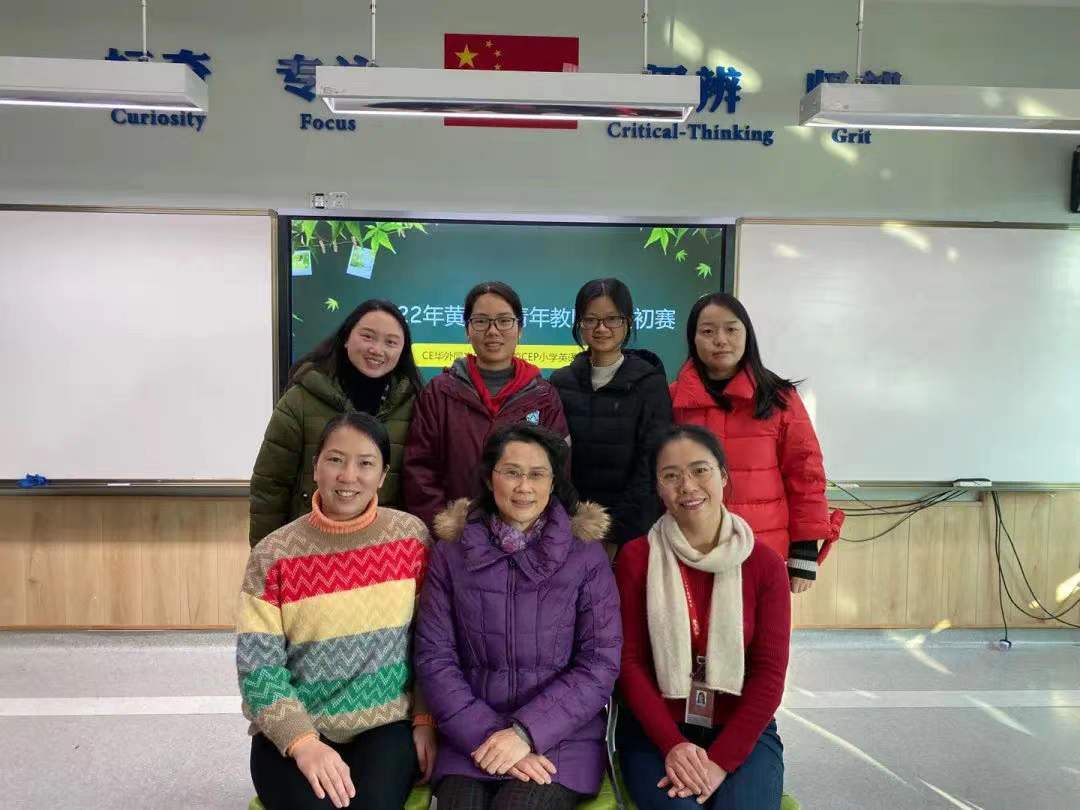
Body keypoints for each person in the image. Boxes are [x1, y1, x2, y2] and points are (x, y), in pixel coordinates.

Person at [414, 424, 622, 810]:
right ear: (489, 478)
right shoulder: (451, 554)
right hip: (470, 737)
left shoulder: (586, 556)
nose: (524, 486)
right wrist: (489, 735)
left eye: (537, 474)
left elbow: (599, 663)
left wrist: (525, 734)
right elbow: (435, 659)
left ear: (553, 482)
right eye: (511, 472)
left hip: (561, 739)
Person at [237, 412, 436, 810]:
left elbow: (431, 642)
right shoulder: (274, 554)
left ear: (383, 475)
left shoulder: (411, 538)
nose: (349, 476)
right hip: (296, 727)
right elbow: (258, 668)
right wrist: (303, 742)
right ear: (315, 468)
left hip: (384, 724)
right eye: (335, 460)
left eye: (366, 463)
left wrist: (425, 720)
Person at [615, 424, 789, 809]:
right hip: (657, 730)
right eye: (671, 476)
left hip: (742, 727)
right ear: (658, 488)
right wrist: (673, 745)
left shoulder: (765, 564)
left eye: (700, 470)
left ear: (723, 476)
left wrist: (721, 761)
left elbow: (769, 673)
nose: (687, 486)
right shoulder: (636, 558)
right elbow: (629, 663)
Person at [669, 293, 843, 591]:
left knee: (762, 623)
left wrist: (804, 551)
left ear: (747, 335)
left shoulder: (780, 399)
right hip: (690, 551)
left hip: (763, 552)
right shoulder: (672, 400)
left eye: (731, 329)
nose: (720, 340)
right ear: (693, 339)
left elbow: (805, 473)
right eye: (708, 331)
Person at [249, 299, 422, 546]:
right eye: (367, 336)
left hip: (383, 549)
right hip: (309, 546)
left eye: (391, 342)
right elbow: (270, 485)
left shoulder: (415, 404)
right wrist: (267, 553)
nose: (377, 349)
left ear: (403, 351)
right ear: (346, 338)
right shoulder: (301, 398)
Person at [403, 281, 569, 529]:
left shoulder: (544, 396)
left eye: (504, 321)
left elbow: (559, 470)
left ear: (520, 329)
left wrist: (532, 532)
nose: (493, 331)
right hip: (455, 538)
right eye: (481, 321)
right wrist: (446, 529)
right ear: (467, 330)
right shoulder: (439, 392)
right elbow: (420, 471)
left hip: (525, 536)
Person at [550, 278, 672, 549]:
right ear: (579, 323)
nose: (601, 328)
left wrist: (616, 531)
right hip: (568, 527)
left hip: (630, 533)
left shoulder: (649, 384)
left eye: (612, 319)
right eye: (590, 319)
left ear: (628, 322)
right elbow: (552, 459)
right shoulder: (559, 383)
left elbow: (651, 466)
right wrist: (575, 518)